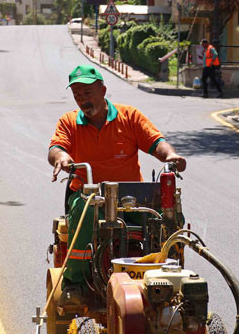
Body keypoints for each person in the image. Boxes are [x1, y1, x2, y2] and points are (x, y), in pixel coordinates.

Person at [48, 64, 187, 298]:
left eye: (87, 93)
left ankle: (170, 273)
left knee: (170, 214)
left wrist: (170, 155)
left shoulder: (129, 116)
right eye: (77, 95)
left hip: (131, 198)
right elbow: (57, 147)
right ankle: (75, 283)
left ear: (103, 90)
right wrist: (61, 157)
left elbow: (156, 142)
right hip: (89, 196)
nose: (82, 100)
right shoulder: (69, 122)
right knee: (84, 213)